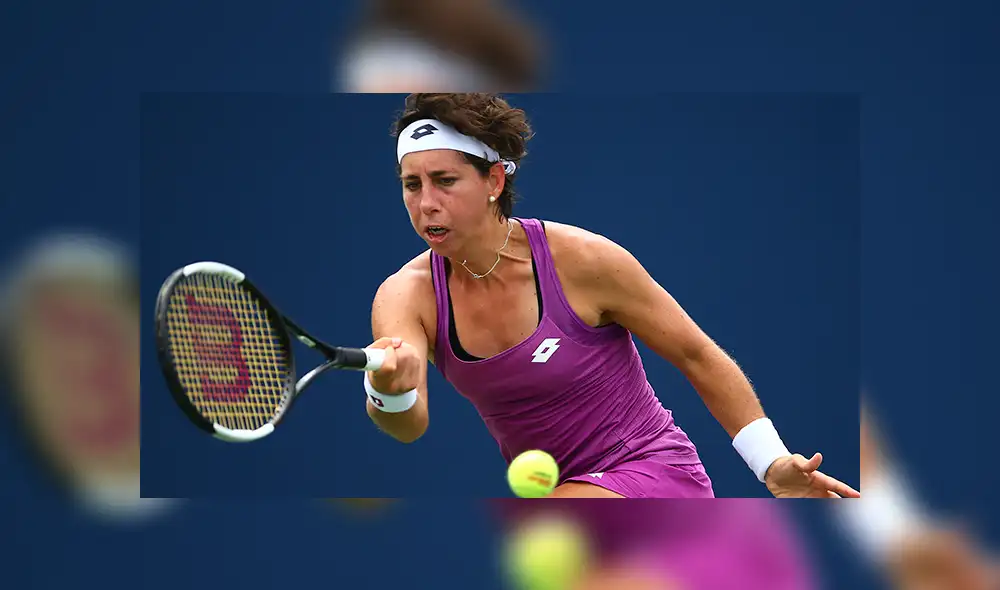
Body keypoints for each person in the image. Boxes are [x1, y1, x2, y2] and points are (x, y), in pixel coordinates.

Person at [362, 92, 860, 499]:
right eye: (411, 184)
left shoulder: (582, 260)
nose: (426, 203)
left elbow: (696, 354)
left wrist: (770, 461)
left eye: (445, 181)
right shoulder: (406, 296)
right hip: (562, 499)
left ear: (494, 179)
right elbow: (408, 425)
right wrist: (391, 389)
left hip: (654, 472)